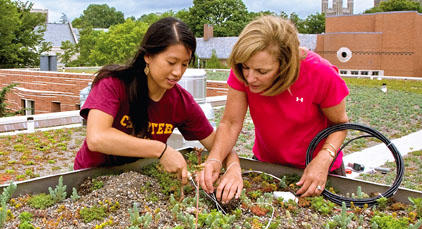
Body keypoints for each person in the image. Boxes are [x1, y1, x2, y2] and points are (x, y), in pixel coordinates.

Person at [74, 17, 241, 190]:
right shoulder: (113, 84)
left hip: (137, 182)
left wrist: (233, 166)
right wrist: (161, 150)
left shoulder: (180, 101)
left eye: (184, 64)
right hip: (89, 179)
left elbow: (218, 145)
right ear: (148, 56)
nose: (177, 72)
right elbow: (97, 138)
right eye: (171, 62)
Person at [199, 15, 349, 201]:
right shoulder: (245, 69)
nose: (250, 78)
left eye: (262, 72)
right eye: (246, 67)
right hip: (267, 165)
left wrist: (324, 159)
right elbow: (230, 123)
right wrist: (215, 159)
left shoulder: (321, 73)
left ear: (286, 65)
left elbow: (340, 124)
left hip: (318, 170)